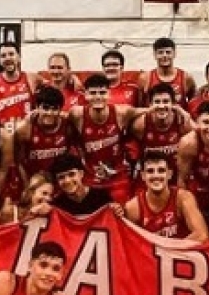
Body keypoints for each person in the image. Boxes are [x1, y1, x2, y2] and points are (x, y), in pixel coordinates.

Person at [67, 74, 148, 203]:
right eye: (93, 93)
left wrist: (177, 110)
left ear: (109, 94)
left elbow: (146, 111)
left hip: (118, 177)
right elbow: (58, 116)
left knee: (121, 214)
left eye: (102, 92)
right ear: (86, 95)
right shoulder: (77, 114)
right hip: (90, 178)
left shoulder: (121, 112)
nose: (98, 97)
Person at [124, 151, 208, 241]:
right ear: (143, 176)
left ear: (169, 174)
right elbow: (128, 245)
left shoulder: (183, 198)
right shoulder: (133, 208)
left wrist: (168, 252)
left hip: (181, 253)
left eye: (161, 170)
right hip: (151, 255)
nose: (156, 176)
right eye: (150, 171)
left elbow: (202, 235)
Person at [130, 83, 193, 184]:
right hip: (150, 177)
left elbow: (201, 134)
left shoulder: (182, 122)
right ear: (150, 105)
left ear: (173, 104)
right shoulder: (140, 124)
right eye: (157, 102)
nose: (161, 106)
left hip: (176, 176)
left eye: (166, 101)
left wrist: (186, 115)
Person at [15, 86, 74, 185]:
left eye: (55, 109)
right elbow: (19, 163)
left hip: (61, 182)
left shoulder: (67, 126)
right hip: (35, 183)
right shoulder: (24, 129)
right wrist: (27, 186)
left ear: (60, 110)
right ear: (37, 107)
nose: (49, 113)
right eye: (45, 108)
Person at [0, 41, 42, 133]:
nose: (7, 58)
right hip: (3, 136)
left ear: (19, 57)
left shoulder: (32, 78)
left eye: (11, 54)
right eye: (3, 56)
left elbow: (53, 89)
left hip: (26, 135)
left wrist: (70, 80)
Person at [49, 153, 122, 217]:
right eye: (61, 177)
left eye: (71, 174)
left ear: (81, 174)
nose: (67, 181)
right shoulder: (56, 206)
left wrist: (117, 210)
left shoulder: (101, 196)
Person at [139, 37, 196, 109]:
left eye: (168, 52)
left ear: (174, 54)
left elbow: (194, 106)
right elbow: (139, 106)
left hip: (178, 119)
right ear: (154, 55)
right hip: (153, 119)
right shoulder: (145, 78)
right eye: (160, 52)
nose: (164, 56)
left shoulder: (186, 77)